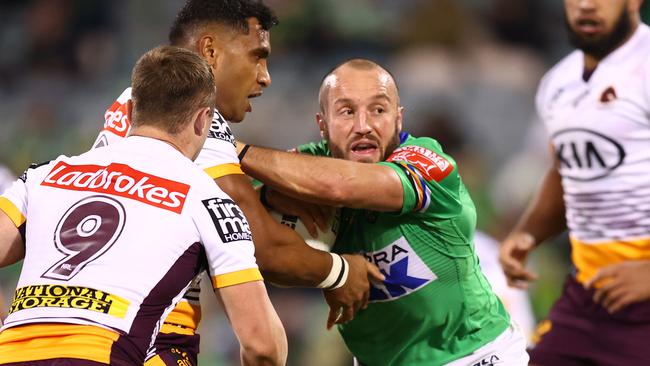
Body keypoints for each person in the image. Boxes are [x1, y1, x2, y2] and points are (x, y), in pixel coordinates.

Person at [95, 1, 381, 364]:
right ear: (210, 51)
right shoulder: (194, 120)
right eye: (256, 56)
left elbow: (185, 214)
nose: (265, 76)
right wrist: (342, 273)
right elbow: (261, 247)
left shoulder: (136, 106)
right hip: (138, 339)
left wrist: (266, 198)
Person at [0, 46, 287, 366]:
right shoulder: (209, 201)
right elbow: (263, 345)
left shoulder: (46, 174)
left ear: (132, 108)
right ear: (203, 119)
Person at [235, 59, 528, 365]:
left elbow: (344, 187)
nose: (363, 126)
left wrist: (233, 150)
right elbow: (251, 233)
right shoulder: (306, 166)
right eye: (347, 111)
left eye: (378, 110)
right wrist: (269, 196)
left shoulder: (429, 163)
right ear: (323, 124)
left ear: (398, 119)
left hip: (474, 354)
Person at [498, 0, 650, 364]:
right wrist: (528, 233)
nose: (586, 5)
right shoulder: (557, 83)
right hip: (588, 294)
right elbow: (566, 170)